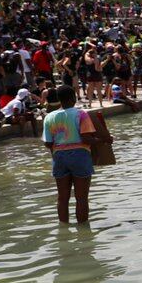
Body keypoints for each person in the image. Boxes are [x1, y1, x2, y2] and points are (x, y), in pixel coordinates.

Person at [43, 85, 111, 223]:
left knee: (62, 198)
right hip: (80, 155)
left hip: (59, 157)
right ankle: (83, 230)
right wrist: (102, 140)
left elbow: (48, 143)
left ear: (58, 99)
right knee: (81, 198)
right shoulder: (81, 114)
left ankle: (63, 227)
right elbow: (86, 138)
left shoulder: (49, 117)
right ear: (74, 97)